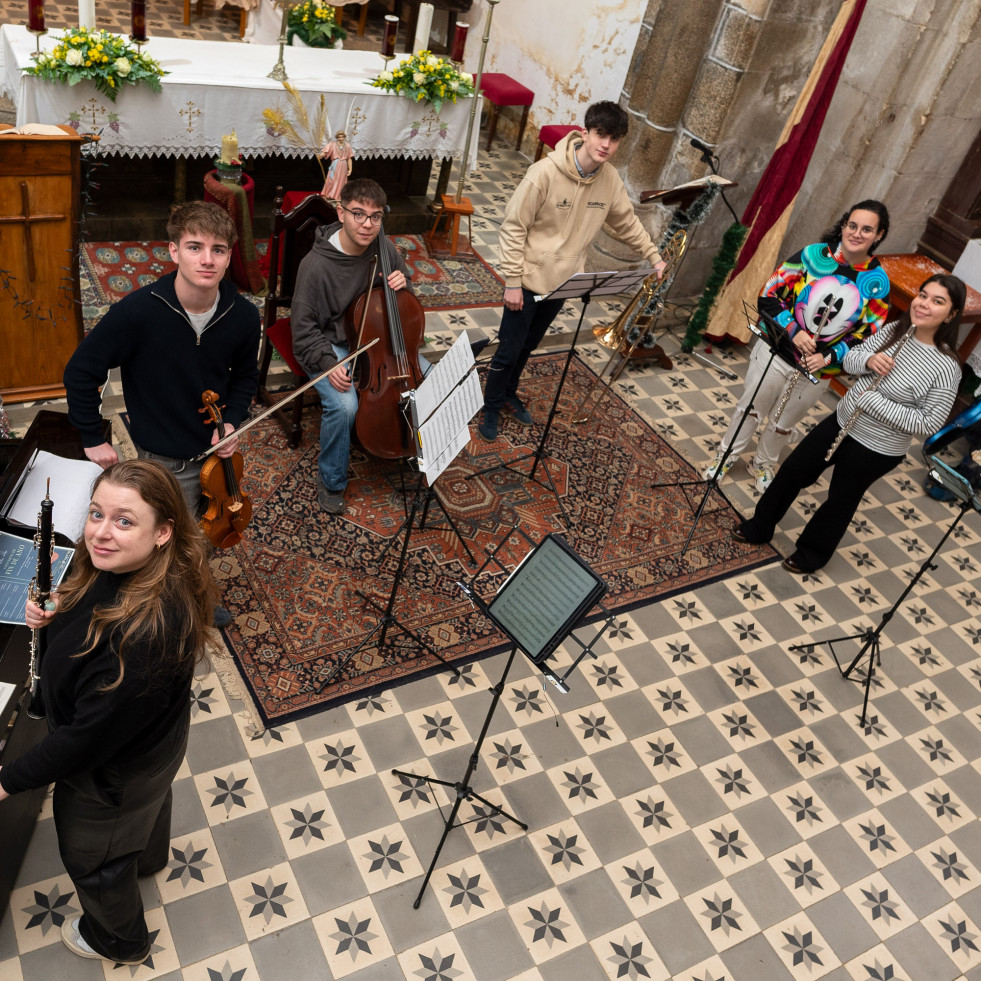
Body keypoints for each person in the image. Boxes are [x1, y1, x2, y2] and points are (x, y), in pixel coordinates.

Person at [0, 460, 218, 966]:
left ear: (163, 532)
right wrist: (56, 615)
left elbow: (83, 740)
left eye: (124, 521)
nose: (99, 533)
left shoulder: (143, 639)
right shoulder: (134, 566)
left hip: (113, 772)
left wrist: (8, 780)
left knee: (92, 856)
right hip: (153, 746)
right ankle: (147, 857)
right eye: (96, 513)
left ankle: (120, 940)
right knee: (147, 809)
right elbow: (91, 609)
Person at [733, 274, 965, 573]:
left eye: (937, 301)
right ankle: (760, 526)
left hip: (878, 448)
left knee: (840, 499)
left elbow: (928, 422)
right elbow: (851, 359)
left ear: (952, 314)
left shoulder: (946, 367)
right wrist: (869, 362)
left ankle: (811, 554)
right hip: (842, 422)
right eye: (923, 295)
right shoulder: (897, 329)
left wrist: (872, 402)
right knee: (793, 470)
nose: (924, 304)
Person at [478, 100, 666, 441]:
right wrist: (512, 282)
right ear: (585, 133)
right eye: (601, 135)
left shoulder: (609, 181)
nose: (606, 144)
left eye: (614, 138)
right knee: (509, 346)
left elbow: (626, 223)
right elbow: (513, 228)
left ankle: (508, 393)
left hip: (563, 283)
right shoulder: (544, 174)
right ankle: (489, 406)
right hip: (526, 281)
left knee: (529, 345)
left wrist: (654, 256)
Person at [64, 201, 261, 516]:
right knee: (169, 547)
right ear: (174, 251)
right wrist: (91, 435)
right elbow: (80, 372)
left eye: (219, 250)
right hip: (166, 462)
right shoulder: (136, 313)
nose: (207, 260)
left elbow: (244, 377)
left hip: (218, 454)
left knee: (212, 530)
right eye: (194, 247)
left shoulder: (245, 316)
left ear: (228, 257)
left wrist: (233, 420)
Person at [704, 200, 891, 493]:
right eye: (852, 226)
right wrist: (794, 331)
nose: (857, 233)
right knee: (751, 409)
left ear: (879, 235)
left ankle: (763, 465)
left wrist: (827, 356)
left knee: (783, 423)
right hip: (776, 350)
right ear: (843, 226)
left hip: (818, 368)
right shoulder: (813, 256)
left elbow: (867, 335)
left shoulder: (878, 282)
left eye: (867, 230)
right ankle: (726, 455)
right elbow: (768, 294)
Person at [291, 177, 418, 515]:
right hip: (328, 345)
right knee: (345, 407)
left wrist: (405, 285)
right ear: (341, 211)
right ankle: (331, 480)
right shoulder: (315, 266)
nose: (367, 224)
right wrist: (326, 362)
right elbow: (302, 329)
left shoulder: (384, 248)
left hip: (378, 344)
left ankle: (415, 448)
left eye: (375, 216)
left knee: (430, 382)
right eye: (358, 214)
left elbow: (405, 304)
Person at [320, 130, 354, 201]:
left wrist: (350, 169)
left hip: (344, 165)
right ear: (337, 137)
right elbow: (325, 151)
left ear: (344, 137)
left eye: (342, 137)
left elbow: (349, 158)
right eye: (339, 137)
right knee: (332, 179)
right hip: (335, 164)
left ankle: (338, 196)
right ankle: (329, 194)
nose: (341, 138)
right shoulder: (332, 144)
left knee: (341, 180)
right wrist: (322, 155)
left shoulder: (347, 146)